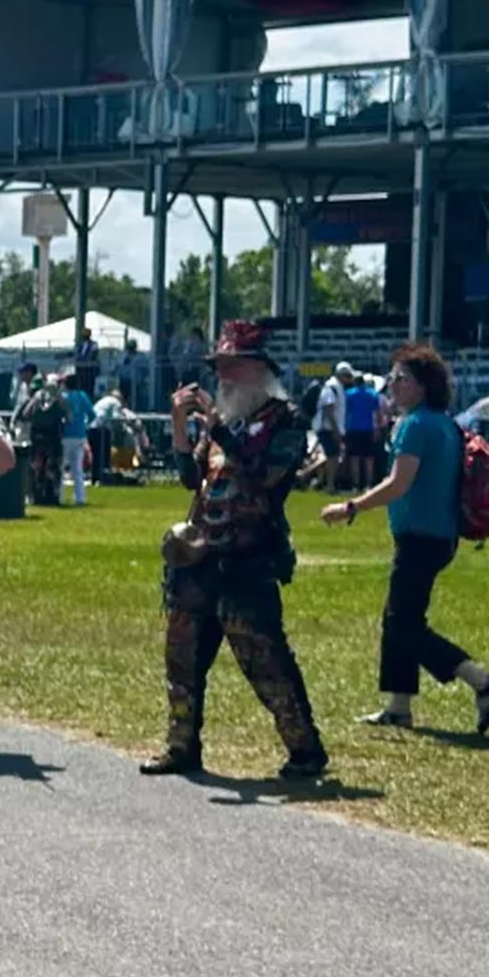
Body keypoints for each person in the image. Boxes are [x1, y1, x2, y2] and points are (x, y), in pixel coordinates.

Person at [142, 321, 327, 780]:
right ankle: (181, 745)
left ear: (258, 369)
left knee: (265, 659)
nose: (221, 375)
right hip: (200, 558)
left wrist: (219, 428)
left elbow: (266, 476)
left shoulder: (286, 420)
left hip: (249, 559)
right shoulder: (225, 420)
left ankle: (305, 750)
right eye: (218, 366)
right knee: (181, 656)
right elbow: (193, 478)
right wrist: (181, 425)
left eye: (231, 365)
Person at [318, 345, 489, 732]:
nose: (392, 383)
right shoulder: (443, 423)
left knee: (403, 623)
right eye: (392, 377)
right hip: (438, 536)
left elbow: (398, 483)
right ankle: (398, 706)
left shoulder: (415, 426)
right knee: (399, 618)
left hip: (421, 536)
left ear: (422, 386)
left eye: (400, 378)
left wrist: (351, 507)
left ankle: (482, 681)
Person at [14, 370, 66, 508]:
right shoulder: (57, 397)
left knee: (36, 467)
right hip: (53, 436)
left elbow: (25, 414)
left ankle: (36, 495)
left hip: (37, 436)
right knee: (53, 467)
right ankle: (52, 495)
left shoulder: (35, 398)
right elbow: (66, 415)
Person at [340, 362, 383, 492]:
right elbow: (377, 414)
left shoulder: (349, 394)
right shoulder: (372, 394)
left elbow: (345, 412)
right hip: (368, 428)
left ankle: (356, 485)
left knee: (354, 458)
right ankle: (368, 484)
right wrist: (378, 428)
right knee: (369, 458)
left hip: (353, 428)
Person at [60, 370, 94, 506]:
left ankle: (60, 495)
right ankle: (80, 497)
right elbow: (92, 414)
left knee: (61, 468)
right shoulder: (82, 396)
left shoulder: (64, 397)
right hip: (80, 435)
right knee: (77, 469)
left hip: (65, 435)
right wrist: (84, 424)